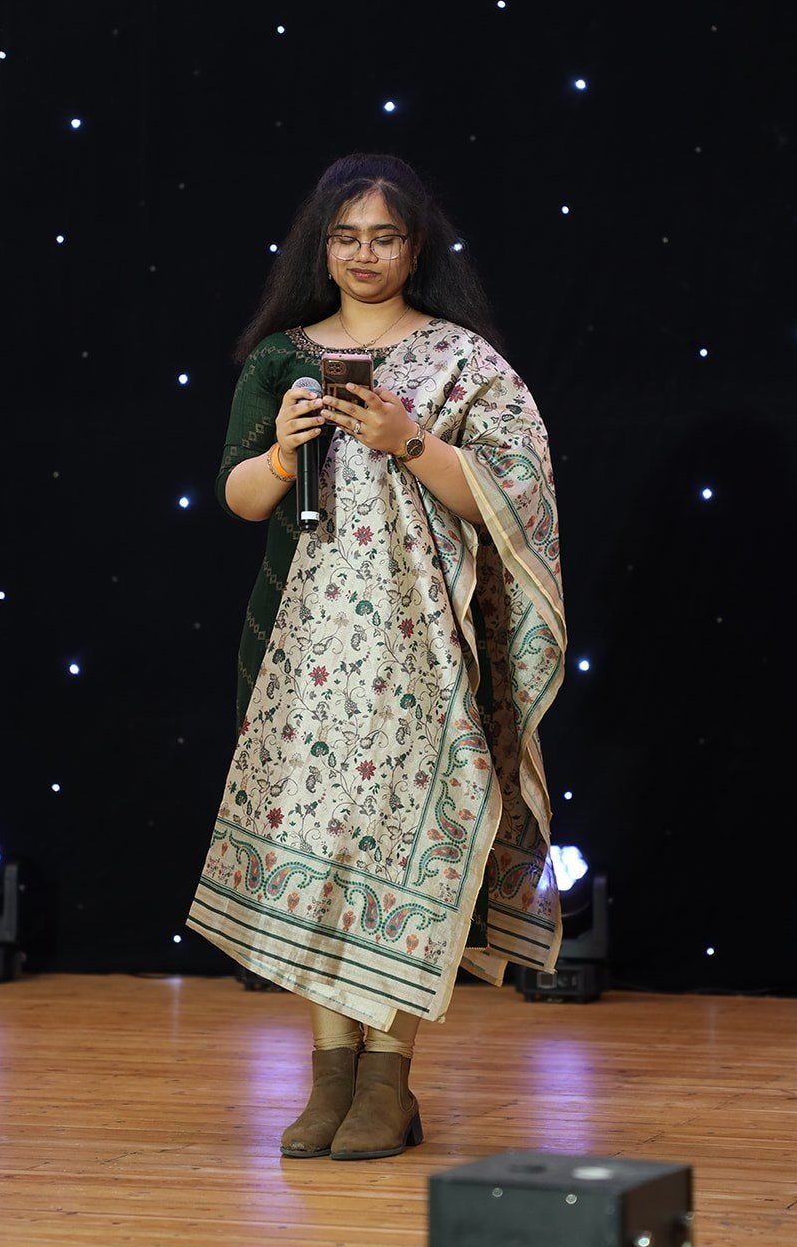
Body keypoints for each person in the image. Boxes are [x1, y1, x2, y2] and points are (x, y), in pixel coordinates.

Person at [187, 153, 565, 1161]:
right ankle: (330, 1079)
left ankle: (387, 1083)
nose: (364, 255)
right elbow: (239, 499)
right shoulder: (280, 359)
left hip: (420, 652)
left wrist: (406, 438)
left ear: (415, 247)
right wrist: (282, 448)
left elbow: (514, 499)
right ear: (320, 250)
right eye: (345, 237)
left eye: (383, 237)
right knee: (319, 848)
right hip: (301, 653)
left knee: (398, 851)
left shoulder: (462, 360)